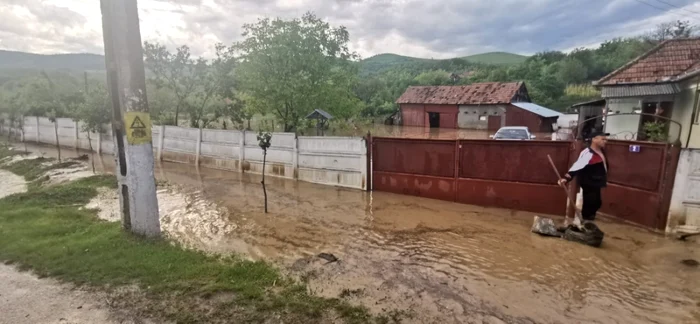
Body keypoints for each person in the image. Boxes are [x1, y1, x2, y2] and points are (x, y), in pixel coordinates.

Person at [558, 130, 609, 224]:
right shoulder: (588, 153)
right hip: (589, 182)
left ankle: (589, 219)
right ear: (594, 139)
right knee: (590, 202)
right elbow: (576, 167)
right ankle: (586, 222)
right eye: (603, 139)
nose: (605, 141)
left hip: (597, 181)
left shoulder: (601, 151)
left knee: (597, 202)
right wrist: (566, 178)